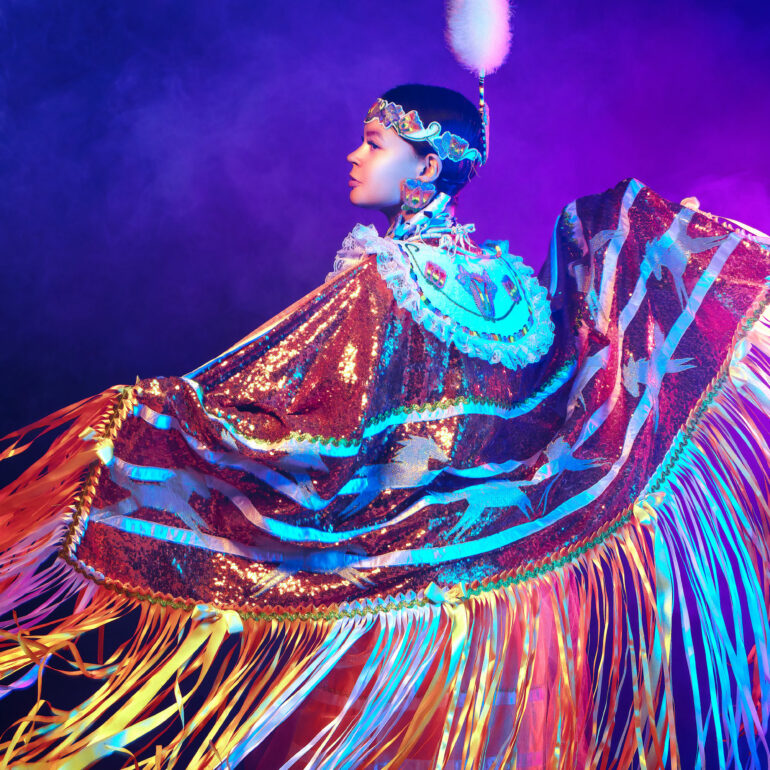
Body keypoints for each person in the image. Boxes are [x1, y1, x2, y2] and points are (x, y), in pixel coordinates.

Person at [2, 77, 770, 769]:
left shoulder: (381, 276)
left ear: (427, 168)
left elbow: (312, 422)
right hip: (500, 606)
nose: (354, 156)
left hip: (389, 611)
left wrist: (166, 420)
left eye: (374, 143)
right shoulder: (512, 286)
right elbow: (496, 429)